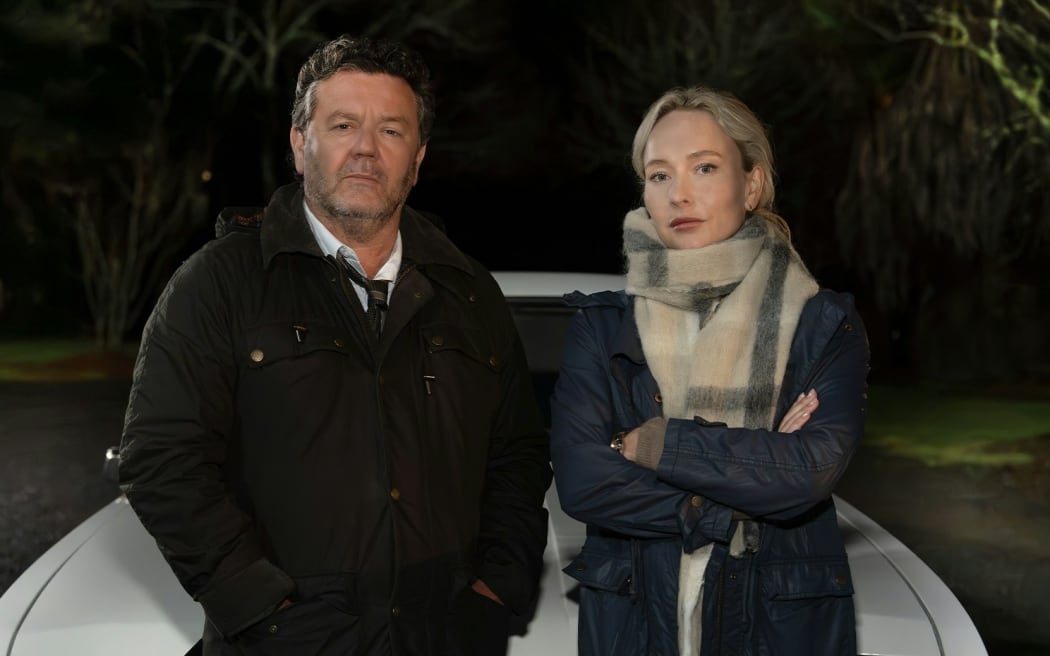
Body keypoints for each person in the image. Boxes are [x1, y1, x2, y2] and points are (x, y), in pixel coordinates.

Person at [118, 34, 552, 656]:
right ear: (301, 145)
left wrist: (494, 591)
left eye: (391, 131)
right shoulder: (219, 282)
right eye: (344, 124)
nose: (366, 148)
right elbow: (161, 460)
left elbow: (518, 455)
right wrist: (261, 608)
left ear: (418, 159)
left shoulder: (469, 292)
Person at [549, 85, 869, 656]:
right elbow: (584, 481)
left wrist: (653, 444)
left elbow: (811, 469)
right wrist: (754, 472)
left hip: (778, 629)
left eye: (704, 167)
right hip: (637, 629)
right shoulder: (603, 327)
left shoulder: (821, 324)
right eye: (660, 175)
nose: (679, 194)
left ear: (752, 184)